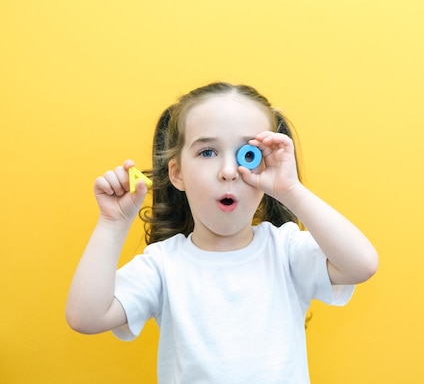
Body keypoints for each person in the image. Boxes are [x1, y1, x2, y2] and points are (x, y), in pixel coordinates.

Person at [66, 82, 378, 384]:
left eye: (247, 153)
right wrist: (112, 223)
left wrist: (291, 190)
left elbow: (361, 264)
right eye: (207, 152)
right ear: (177, 173)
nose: (228, 171)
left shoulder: (285, 250)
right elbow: (86, 317)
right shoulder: (163, 265)